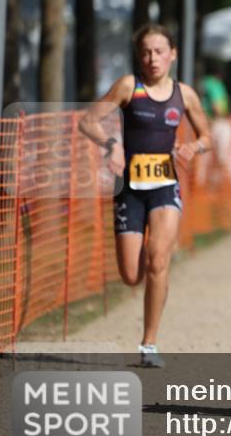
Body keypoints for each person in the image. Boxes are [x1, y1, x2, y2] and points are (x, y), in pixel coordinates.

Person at [78, 24, 212, 368]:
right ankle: (149, 266)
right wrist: (112, 145)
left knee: (158, 260)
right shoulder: (129, 86)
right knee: (131, 275)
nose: (153, 58)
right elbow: (89, 121)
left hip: (165, 185)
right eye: (146, 52)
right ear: (139, 56)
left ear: (173, 54)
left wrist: (194, 147)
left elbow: (207, 136)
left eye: (159, 51)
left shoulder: (185, 95)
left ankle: (149, 343)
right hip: (130, 189)